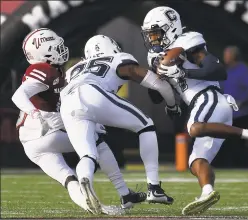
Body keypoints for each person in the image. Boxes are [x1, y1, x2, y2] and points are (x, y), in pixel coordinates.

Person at [141, 6, 248, 215]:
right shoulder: (156, 56)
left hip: (209, 98)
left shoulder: (188, 41)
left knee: (193, 128)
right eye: (150, 35)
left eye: (156, 34)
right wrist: (155, 77)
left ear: (170, 28)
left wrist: (182, 71)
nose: (153, 40)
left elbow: (218, 71)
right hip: (204, 110)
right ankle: (207, 192)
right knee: (195, 162)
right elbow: (156, 96)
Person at [11, 28, 146, 215]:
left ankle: (98, 209)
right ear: (45, 51)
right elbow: (19, 95)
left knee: (69, 180)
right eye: (56, 47)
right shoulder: (43, 69)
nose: (62, 50)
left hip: (31, 145)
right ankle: (124, 193)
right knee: (97, 143)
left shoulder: (55, 71)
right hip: (44, 130)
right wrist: (34, 112)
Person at [60, 34, 181, 205]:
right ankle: (154, 188)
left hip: (68, 105)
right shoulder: (118, 57)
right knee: (146, 126)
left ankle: (88, 180)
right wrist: (172, 105)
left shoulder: (74, 68)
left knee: (89, 154)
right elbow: (157, 83)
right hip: (93, 92)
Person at [221, 46, 248, 167]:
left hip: (241, 115)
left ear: (233, 56)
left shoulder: (242, 70)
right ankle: (230, 166)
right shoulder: (225, 71)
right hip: (227, 115)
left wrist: (242, 101)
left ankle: (245, 166)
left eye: (227, 54)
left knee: (240, 143)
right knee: (228, 143)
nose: (225, 57)